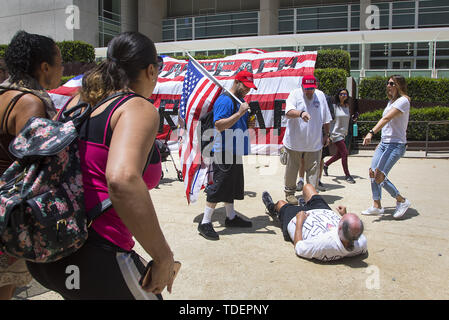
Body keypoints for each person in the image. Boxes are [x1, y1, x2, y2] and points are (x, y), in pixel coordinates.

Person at [26, 32, 177, 300]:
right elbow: (122, 180)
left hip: (50, 248)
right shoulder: (137, 108)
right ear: (151, 70)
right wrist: (163, 257)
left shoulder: (77, 101)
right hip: (95, 253)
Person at [0, 31, 63, 300]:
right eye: (59, 63)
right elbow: (37, 166)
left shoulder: (4, 94)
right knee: (5, 285)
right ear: (44, 67)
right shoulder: (30, 102)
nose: (62, 69)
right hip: (8, 212)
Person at [198, 71, 257, 241]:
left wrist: (247, 121)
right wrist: (239, 114)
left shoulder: (240, 100)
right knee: (220, 184)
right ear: (237, 82)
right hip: (224, 149)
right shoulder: (225, 100)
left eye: (249, 88)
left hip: (235, 148)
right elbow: (219, 125)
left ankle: (230, 217)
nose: (247, 90)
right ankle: (205, 222)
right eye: (245, 86)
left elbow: (236, 123)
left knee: (232, 184)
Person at [262, 185, 367, 261]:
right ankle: (305, 204)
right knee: (308, 187)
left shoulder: (324, 245)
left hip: (300, 219)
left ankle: (271, 207)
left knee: (281, 203)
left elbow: (299, 248)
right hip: (323, 212)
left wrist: (299, 220)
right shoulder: (360, 242)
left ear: (339, 229)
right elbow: (353, 229)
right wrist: (344, 215)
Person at [361, 75, 411, 219]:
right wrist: (380, 142)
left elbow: (387, 118)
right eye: (387, 83)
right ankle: (377, 206)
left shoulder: (403, 101)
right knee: (372, 173)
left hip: (396, 145)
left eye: (391, 83)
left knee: (379, 176)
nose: (388, 85)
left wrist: (371, 132)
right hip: (384, 143)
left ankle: (401, 200)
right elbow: (387, 125)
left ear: (399, 85)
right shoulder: (391, 102)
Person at [283, 74, 332, 205]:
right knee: (292, 168)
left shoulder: (320, 95)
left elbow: (326, 118)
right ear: (302, 86)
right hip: (294, 141)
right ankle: (289, 193)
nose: (309, 91)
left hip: (314, 142)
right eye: (306, 88)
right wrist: (300, 113)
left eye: (311, 88)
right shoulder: (294, 94)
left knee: (313, 170)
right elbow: (288, 112)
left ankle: (311, 196)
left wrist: (327, 134)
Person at [323, 88, 356, 184]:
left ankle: (326, 164)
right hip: (335, 133)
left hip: (344, 133)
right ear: (338, 95)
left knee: (339, 154)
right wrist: (328, 134)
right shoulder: (333, 106)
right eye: (341, 94)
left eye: (345, 94)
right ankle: (347, 175)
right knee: (345, 153)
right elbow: (330, 120)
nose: (343, 96)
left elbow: (346, 120)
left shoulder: (347, 106)